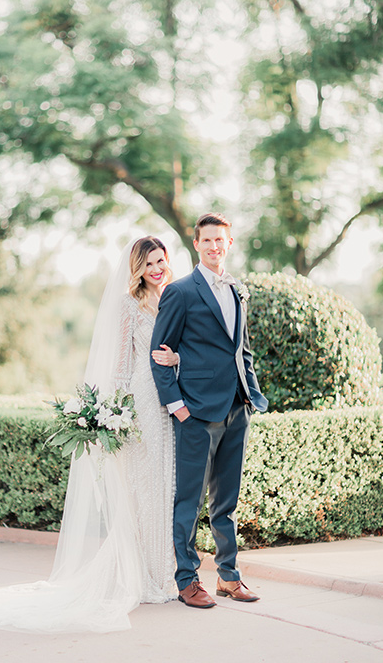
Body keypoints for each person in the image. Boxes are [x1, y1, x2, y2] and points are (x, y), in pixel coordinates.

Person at [0, 236, 177, 633]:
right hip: (141, 403)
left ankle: (165, 572)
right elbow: (123, 364)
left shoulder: (173, 298)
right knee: (143, 489)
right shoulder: (130, 305)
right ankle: (145, 577)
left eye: (161, 261)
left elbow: (184, 347)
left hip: (169, 402)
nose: (157, 269)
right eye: (149, 263)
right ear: (137, 269)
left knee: (165, 486)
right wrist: (118, 412)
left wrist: (176, 359)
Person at [150, 213, 268, 609]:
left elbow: (242, 350)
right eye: (207, 241)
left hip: (237, 407)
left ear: (229, 243)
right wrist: (178, 407)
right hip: (196, 413)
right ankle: (187, 580)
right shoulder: (180, 292)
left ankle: (228, 577)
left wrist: (252, 395)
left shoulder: (238, 290)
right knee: (189, 500)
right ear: (196, 244)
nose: (214, 247)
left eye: (221, 240)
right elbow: (159, 356)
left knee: (227, 501)